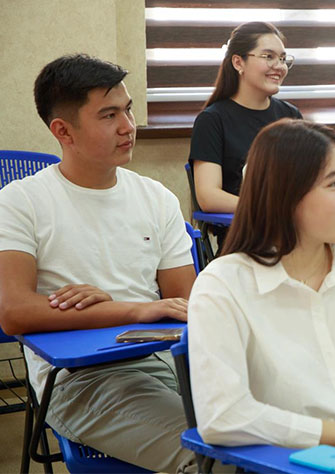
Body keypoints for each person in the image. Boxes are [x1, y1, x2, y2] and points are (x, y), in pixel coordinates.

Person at [0, 54, 196, 472]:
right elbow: (15, 313)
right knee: (213, 456)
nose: (128, 126)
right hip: (81, 379)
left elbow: (188, 302)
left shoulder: (156, 197)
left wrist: (108, 307)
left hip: (169, 358)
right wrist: (134, 308)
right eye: (109, 115)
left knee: (285, 433)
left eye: (127, 109)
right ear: (63, 131)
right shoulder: (21, 201)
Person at [188, 119, 335, 448]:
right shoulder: (224, 285)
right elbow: (224, 416)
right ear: (285, 194)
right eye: (334, 184)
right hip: (290, 463)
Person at [189, 22, 302, 245]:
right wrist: (267, 209)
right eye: (268, 56)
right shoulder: (212, 120)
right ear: (238, 62)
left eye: (282, 58)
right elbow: (208, 196)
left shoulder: (291, 115)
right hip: (245, 241)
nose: (279, 66)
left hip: (295, 237)